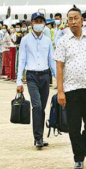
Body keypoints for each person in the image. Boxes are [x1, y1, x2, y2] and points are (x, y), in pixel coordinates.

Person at [55, 6, 86, 169]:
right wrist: (60, 91)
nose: (73, 22)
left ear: (82, 20)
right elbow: (59, 67)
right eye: (70, 19)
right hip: (71, 89)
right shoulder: (63, 42)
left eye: (76, 18)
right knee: (74, 126)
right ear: (67, 22)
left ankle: (84, 143)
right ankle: (78, 158)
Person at [16, 13, 57, 148]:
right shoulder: (25, 40)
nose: (39, 23)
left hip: (45, 76)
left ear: (44, 23)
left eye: (41, 21)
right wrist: (19, 81)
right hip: (32, 76)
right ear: (32, 23)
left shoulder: (47, 40)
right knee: (37, 106)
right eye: (36, 21)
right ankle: (37, 137)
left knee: (42, 107)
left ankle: (40, 136)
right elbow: (21, 60)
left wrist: (58, 78)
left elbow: (51, 60)